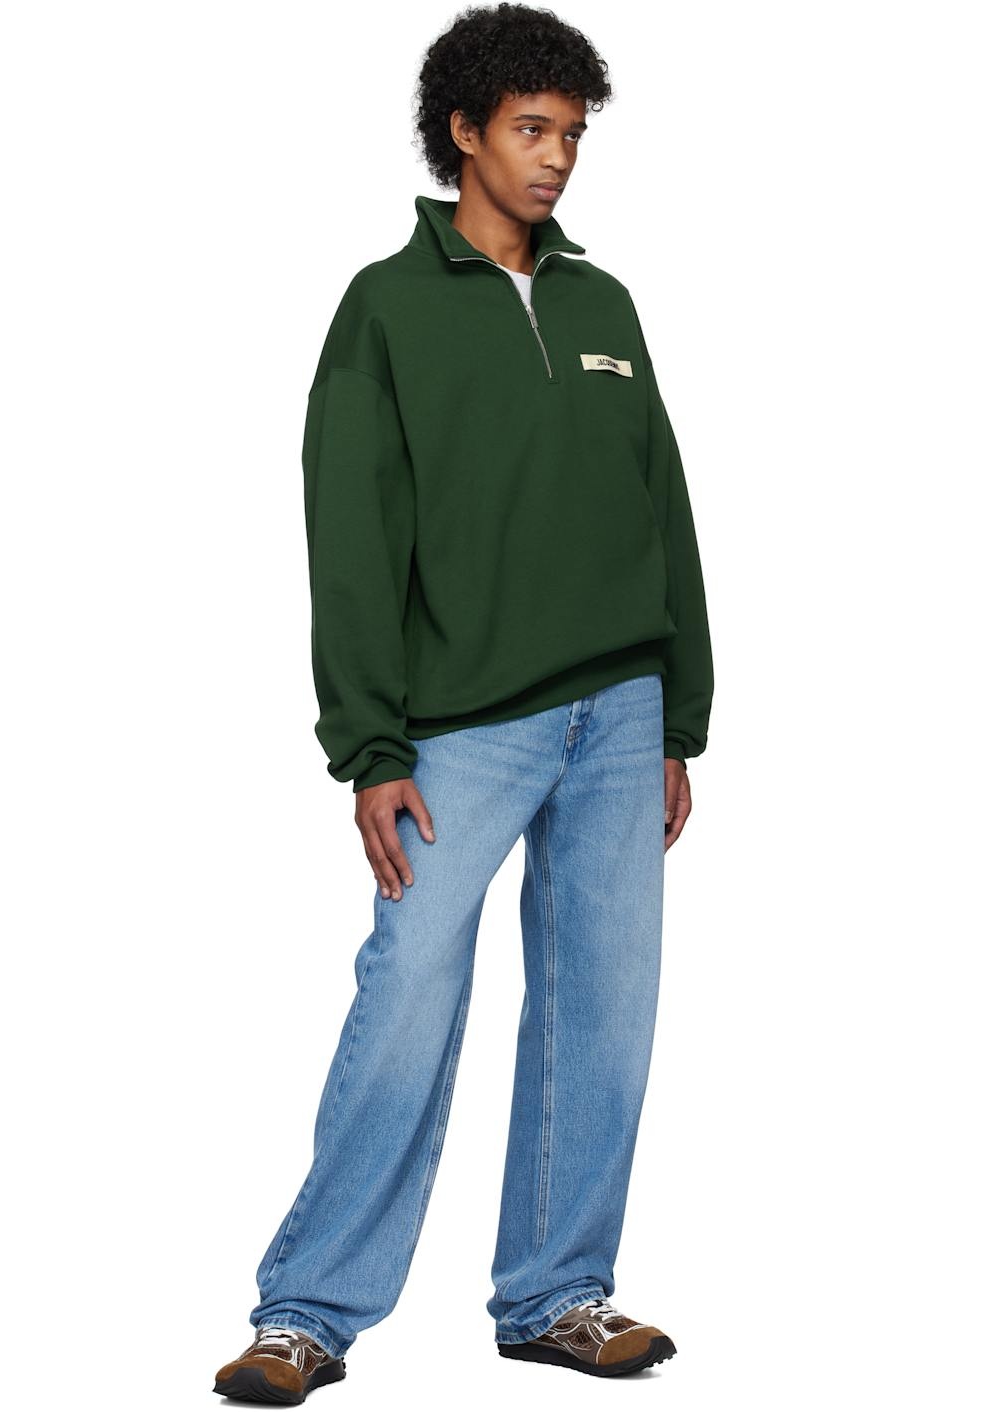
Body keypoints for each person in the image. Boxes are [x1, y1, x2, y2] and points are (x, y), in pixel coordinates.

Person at [213, 2, 714, 1402]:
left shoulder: (605, 304)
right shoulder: (387, 307)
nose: (556, 158)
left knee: (603, 1011)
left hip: (619, 712)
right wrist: (370, 744)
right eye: (532, 129)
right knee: (407, 1000)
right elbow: (352, 537)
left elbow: (663, 509)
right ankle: (306, 1312)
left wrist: (680, 715)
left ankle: (557, 1296)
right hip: (462, 726)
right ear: (465, 132)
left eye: (573, 135)